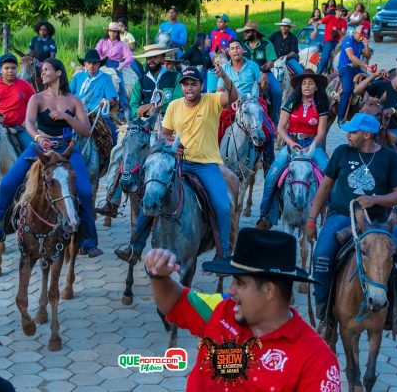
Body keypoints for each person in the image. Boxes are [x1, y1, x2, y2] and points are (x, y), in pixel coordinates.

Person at [145, 228, 340, 391]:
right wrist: (159, 276)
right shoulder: (223, 309)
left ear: (269, 290)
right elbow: (174, 302)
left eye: (240, 282)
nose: (230, 290)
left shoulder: (317, 361)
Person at [306, 112, 397, 340]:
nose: (347, 135)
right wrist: (311, 219)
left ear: (367, 135)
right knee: (321, 258)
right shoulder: (341, 152)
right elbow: (325, 188)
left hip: (379, 223)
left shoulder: (390, 157)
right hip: (342, 216)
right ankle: (325, 317)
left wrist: (376, 199)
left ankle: (394, 314)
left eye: (353, 131)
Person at [114, 66, 238, 264]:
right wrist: (172, 144)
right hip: (176, 161)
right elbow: (164, 135)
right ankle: (135, 247)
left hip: (205, 164)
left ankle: (223, 253)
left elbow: (232, 97)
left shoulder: (212, 100)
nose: (189, 88)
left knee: (223, 206)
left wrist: (224, 76)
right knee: (151, 194)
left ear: (201, 85)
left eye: (193, 84)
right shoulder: (174, 106)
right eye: (186, 84)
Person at [0, 58, 103, 257]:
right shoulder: (36, 98)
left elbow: (87, 130)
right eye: (42, 70)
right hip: (40, 147)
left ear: (58, 73)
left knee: (85, 192)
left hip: (66, 149)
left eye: (46, 70)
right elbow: (28, 123)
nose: (42, 73)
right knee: (7, 184)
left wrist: (67, 117)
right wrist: (39, 137)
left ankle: (88, 240)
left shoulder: (73, 101)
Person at [94, 45, 182, 220]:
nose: (151, 61)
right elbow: (133, 107)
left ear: (163, 58)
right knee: (119, 151)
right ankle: (113, 198)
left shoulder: (175, 78)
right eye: (149, 58)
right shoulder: (140, 81)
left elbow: (179, 102)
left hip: (169, 124)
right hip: (142, 126)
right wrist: (142, 112)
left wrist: (153, 107)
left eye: (155, 57)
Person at [256, 72, 330, 230]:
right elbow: (281, 128)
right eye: (304, 83)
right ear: (299, 87)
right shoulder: (291, 102)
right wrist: (290, 143)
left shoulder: (322, 104)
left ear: (316, 87)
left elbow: (322, 132)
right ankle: (267, 215)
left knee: (329, 176)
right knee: (270, 178)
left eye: (311, 83)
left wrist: (312, 146)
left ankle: (330, 216)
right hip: (292, 143)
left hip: (312, 144)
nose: (307, 86)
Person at [355, 64, 397, 207]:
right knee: (352, 145)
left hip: (393, 129)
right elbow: (357, 91)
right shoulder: (381, 85)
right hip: (371, 127)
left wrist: (394, 111)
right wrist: (373, 76)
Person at [217, 39, 276, 166]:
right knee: (216, 127)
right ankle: (215, 159)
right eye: (232, 49)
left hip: (252, 102)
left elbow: (261, 89)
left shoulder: (253, 66)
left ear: (242, 50)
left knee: (269, 131)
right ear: (228, 52)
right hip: (231, 103)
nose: (235, 51)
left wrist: (264, 84)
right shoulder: (224, 68)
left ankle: (268, 164)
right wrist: (230, 98)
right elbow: (219, 89)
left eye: (237, 48)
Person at [0, 53, 36, 151]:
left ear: (17, 69)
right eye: (6, 68)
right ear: (0, 70)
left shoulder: (25, 85)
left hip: (19, 127)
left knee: (33, 150)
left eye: (13, 68)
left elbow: (35, 105)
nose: (10, 71)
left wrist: (28, 120)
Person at [68, 49, 119, 145]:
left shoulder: (106, 78)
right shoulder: (78, 77)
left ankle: (113, 158)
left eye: (95, 63)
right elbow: (67, 95)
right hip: (78, 114)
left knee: (113, 136)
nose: (92, 66)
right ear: (85, 64)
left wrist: (106, 102)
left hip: (99, 115)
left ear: (99, 64)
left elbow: (112, 99)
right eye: (89, 63)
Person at [239, 21, 282, 125]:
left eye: (247, 32)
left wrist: (262, 68)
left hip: (264, 73)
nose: (245, 34)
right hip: (246, 75)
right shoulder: (242, 46)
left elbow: (271, 62)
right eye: (245, 32)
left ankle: (275, 120)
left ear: (254, 32)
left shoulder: (267, 44)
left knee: (277, 91)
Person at [334, 25, 372, 123]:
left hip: (356, 69)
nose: (362, 38)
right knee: (346, 90)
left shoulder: (361, 43)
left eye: (364, 36)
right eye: (360, 35)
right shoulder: (348, 41)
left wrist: (367, 45)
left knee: (370, 84)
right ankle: (341, 117)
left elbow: (368, 55)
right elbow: (351, 56)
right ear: (355, 32)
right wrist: (365, 66)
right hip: (345, 68)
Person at [312, 6, 346, 75]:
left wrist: (336, 31)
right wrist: (315, 31)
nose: (340, 13)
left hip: (338, 43)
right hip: (328, 42)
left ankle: (335, 75)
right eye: (339, 11)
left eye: (342, 11)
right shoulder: (329, 17)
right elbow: (316, 23)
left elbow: (343, 34)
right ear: (336, 11)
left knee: (340, 59)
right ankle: (317, 75)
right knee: (325, 59)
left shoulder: (343, 21)